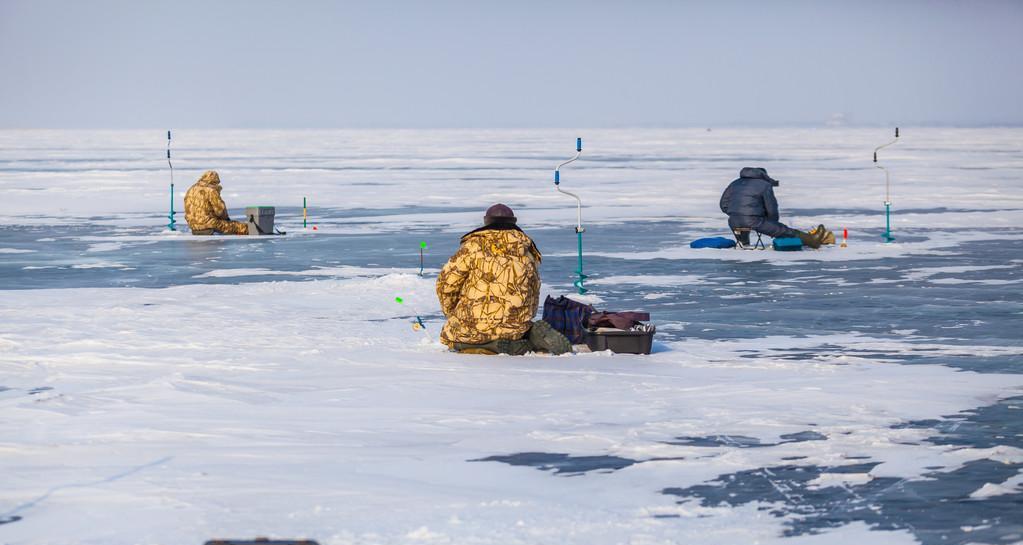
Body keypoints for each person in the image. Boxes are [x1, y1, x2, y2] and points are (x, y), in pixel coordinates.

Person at [436, 204, 571, 355]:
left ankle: (482, 345)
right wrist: (523, 319)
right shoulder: (525, 251)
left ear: (486, 221)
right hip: (513, 328)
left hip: (469, 329)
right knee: (520, 330)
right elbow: (533, 292)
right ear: (513, 221)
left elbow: (446, 285)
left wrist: (451, 313)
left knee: (456, 337)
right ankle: (518, 340)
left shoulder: (471, 247)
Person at [719, 167, 831, 248]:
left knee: (743, 223)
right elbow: (771, 208)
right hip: (753, 221)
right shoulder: (764, 185)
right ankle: (813, 240)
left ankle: (743, 243)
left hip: (733, 221)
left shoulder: (735, 183)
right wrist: (773, 223)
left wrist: (734, 213)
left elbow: (723, 204)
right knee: (785, 230)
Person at [183, 170, 249, 235]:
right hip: (209, 225)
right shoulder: (211, 191)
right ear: (214, 181)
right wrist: (226, 219)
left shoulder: (191, 189)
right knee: (238, 227)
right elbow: (220, 210)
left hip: (193, 226)